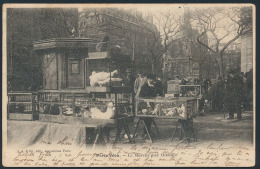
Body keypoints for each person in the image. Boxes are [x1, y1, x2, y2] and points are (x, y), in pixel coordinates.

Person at [139, 74, 157, 138]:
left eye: (153, 79)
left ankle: (147, 131)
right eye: (150, 79)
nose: (152, 80)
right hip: (144, 104)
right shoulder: (144, 86)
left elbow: (154, 95)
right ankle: (145, 132)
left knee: (150, 117)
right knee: (147, 117)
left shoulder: (153, 86)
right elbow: (144, 96)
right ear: (148, 79)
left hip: (150, 104)